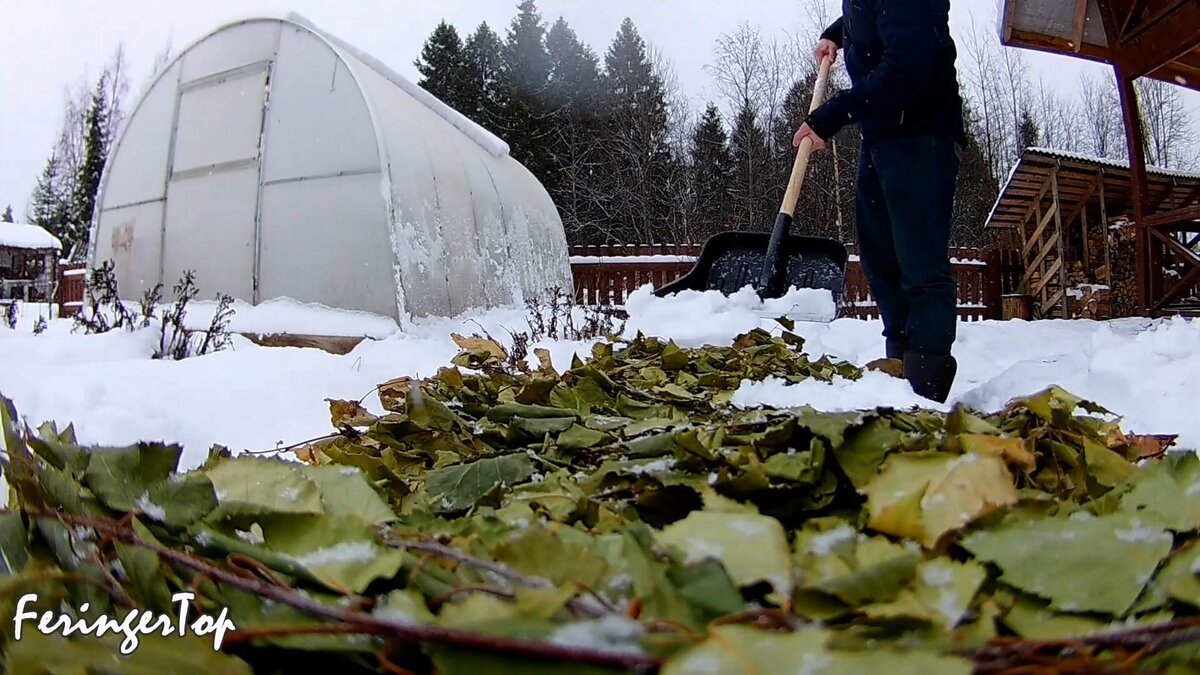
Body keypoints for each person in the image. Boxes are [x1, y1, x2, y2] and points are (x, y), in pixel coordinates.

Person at [794, 1, 966, 404]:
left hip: (921, 133)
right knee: (880, 259)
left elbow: (905, 70)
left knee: (918, 261)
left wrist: (828, 117)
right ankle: (901, 367)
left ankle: (926, 378)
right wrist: (835, 34)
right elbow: (869, 13)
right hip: (882, 135)